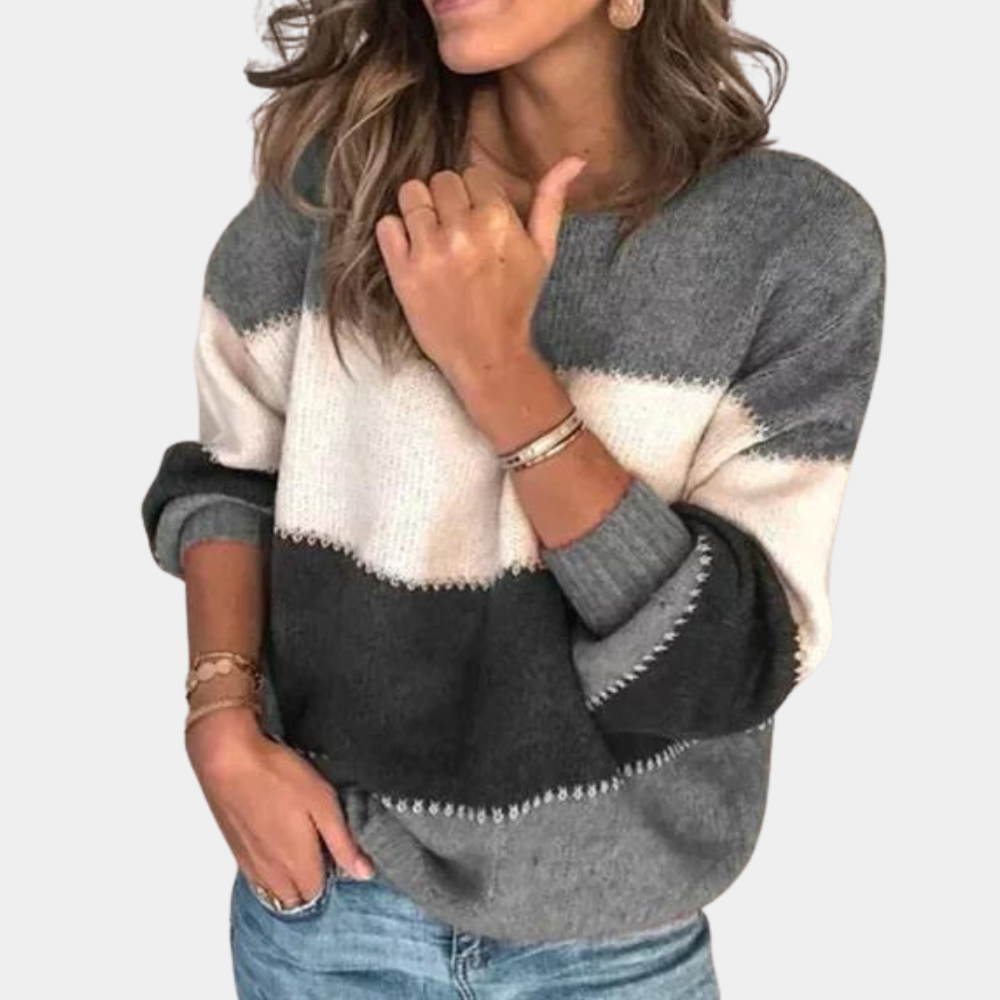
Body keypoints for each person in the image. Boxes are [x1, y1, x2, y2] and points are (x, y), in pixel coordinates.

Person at [140, 0, 886, 996]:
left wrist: (499, 369)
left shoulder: (790, 243)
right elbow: (230, 480)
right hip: (332, 911)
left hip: (617, 948)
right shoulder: (340, 184)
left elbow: (722, 664)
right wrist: (220, 719)